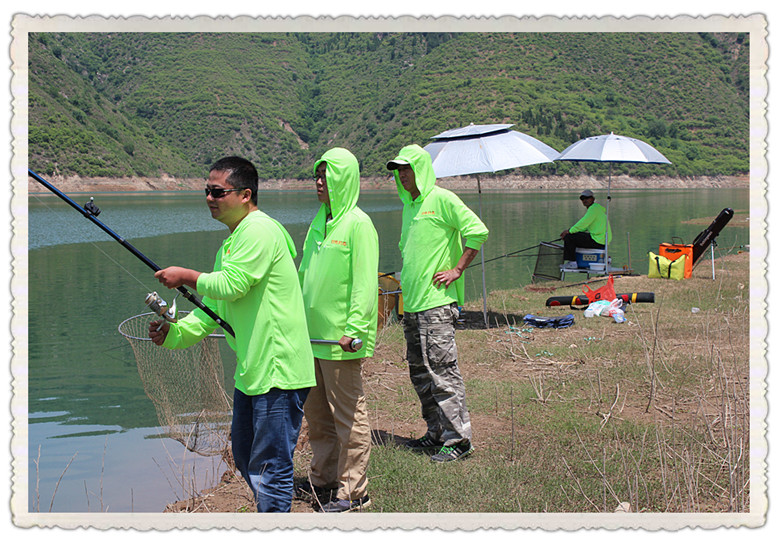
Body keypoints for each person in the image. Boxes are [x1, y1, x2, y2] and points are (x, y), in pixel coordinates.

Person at [148, 156, 316, 513]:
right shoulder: (232, 244)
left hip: (278, 369)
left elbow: (231, 285)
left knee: (271, 465)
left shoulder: (259, 230)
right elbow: (212, 310)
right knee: (243, 453)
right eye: (207, 191)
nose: (210, 198)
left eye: (218, 192)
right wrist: (173, 334)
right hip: (253, 370)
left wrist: (185, 276)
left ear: (245, 195)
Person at [386, 144, 488, 463]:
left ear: (420, 168)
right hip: (413, 305)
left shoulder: (442, 199)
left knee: (443, 372)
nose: (403, 175)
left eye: (407, 168)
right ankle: (436, 433)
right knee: (420, 373)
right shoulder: (409, 206)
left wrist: (457, 269)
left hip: (436, 305)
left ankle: (459, 440)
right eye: (399, 170)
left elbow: (478, 231)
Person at [295, 147, 379, 513]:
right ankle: (324, 478)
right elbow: (304, 275)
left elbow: (365, 284)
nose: (319, 182)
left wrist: (355, 328)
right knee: (317, 417)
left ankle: (355, 492)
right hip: (311, 338)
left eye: (326, 176)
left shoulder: (359, 224)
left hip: (341, 341)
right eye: (317, 175)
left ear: (342, 179)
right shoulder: (319, 221)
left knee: (349, 418)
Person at [559, 189, 612, 269]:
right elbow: (585, 226)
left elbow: (583, 223)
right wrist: (571, 231)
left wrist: (569, 231)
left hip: (598, 240)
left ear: (593, 199)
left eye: (587, 198)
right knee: (572, 235)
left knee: (569, 237)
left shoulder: (593, 209)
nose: (585, 200)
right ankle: (574, 261)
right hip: (601, 240)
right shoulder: (597, 209)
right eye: (582, 198)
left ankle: (572, 262)